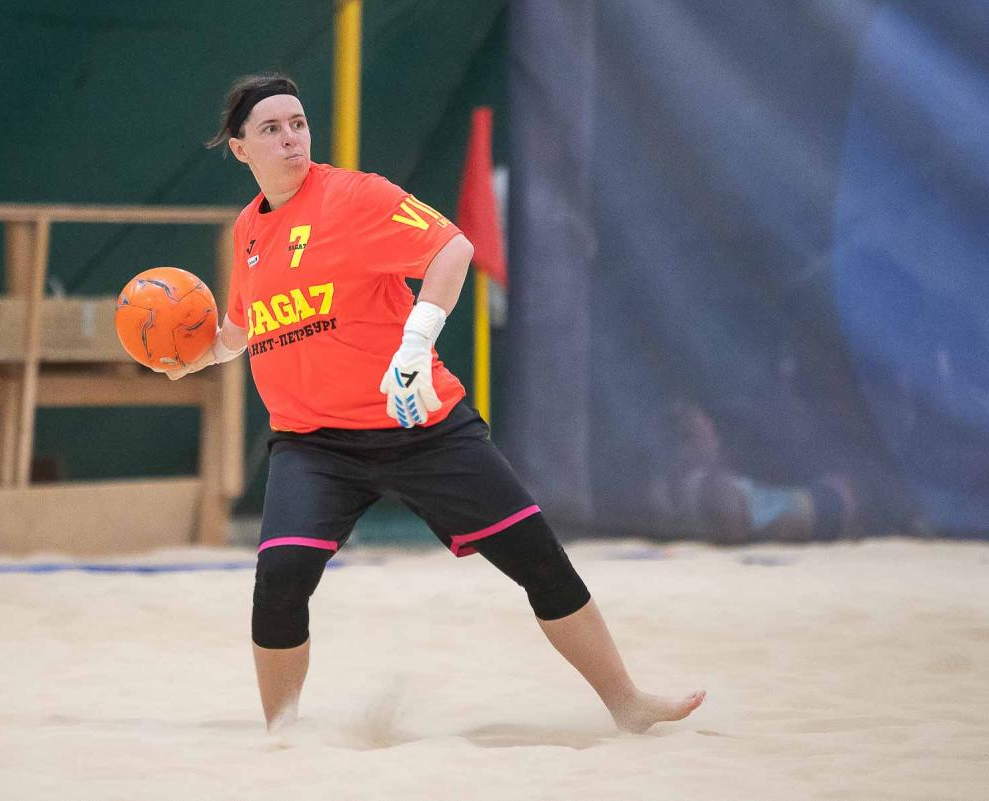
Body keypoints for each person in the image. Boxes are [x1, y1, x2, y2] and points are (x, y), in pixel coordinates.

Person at [166, 73, 705, 733]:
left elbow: (453, 248)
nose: (291, 139)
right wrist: (197, 356)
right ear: (240, 148)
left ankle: (627, 703)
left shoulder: (354, 196)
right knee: (280, 576)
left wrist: (416, 342)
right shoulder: (249, 231)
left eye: (298, 124)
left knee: (538, 558)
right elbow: (240, 330)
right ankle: (282, 734)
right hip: (313, 444)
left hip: (419, 425)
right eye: (271, 129)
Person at [647, 400, 859, 543]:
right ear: (686, 446)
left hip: (813, 505)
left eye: (712, 432)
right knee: (852, 489)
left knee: (844, 485)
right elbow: (734, 528)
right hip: (818, 515)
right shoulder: (712, 489)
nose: (715, 440)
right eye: (707, 434)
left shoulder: (662, 489)